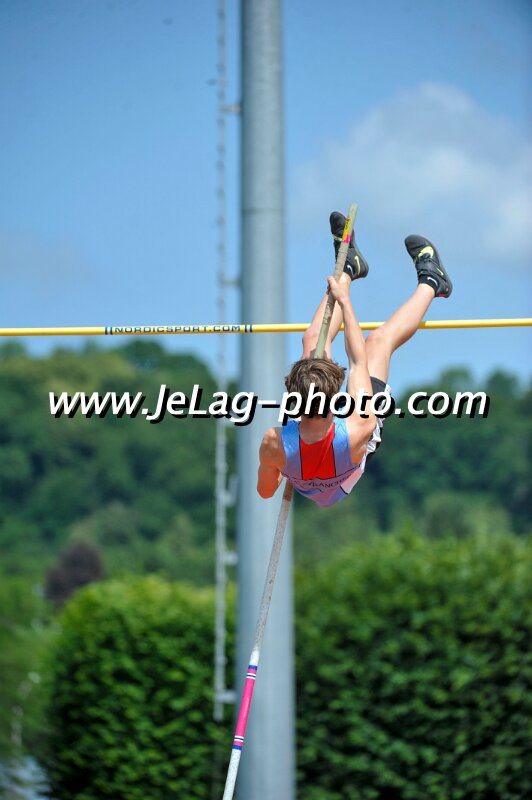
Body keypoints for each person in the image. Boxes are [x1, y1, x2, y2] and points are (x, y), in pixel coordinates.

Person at [257, 211, 453, 507]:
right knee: (378, 342)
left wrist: (283, 465)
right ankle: (432, 282)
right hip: (349, 455)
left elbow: (265, 491)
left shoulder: (273, 442)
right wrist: (344, 301)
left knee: (312, 340)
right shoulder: (360, 424)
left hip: (319, 447)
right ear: (336, 397)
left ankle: (349, 267)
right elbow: (358, 361)